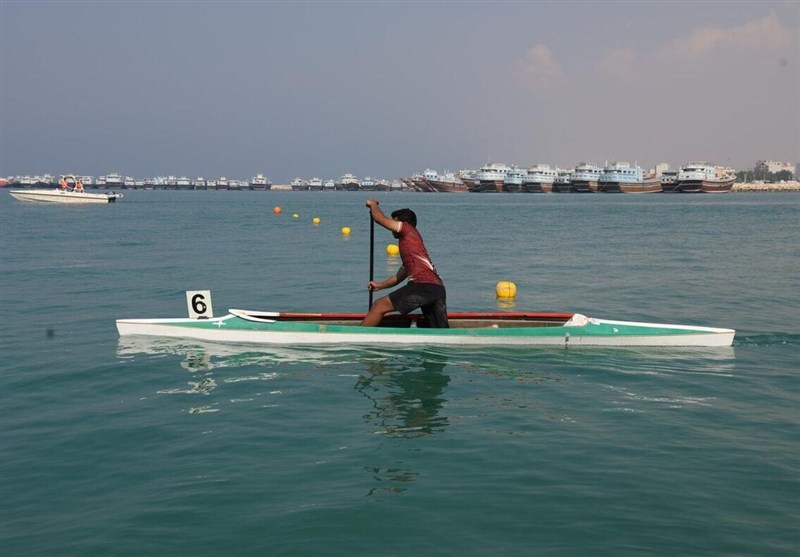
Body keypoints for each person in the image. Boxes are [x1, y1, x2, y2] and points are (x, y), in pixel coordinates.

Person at [362, 199, 448, 328]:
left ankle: (357, 337)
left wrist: (373, 205)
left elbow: (379, 218)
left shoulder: (407, 229)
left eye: (394, 221)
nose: (392, 228)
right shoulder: (411, 248)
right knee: (440, 332)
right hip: (437, 289)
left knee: (379, 305)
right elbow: (398, 277)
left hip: (423, 286)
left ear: (401, 222)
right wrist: (379, 285)